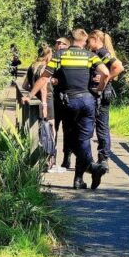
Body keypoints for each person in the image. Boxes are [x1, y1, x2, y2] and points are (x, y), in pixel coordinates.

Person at [26, 29, 110, 190]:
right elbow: (106, 73)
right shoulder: (90, 56)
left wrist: (30, 95)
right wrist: (98, 90)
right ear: (85, 42)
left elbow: (44, 77)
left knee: (72, 140)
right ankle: (79, 179)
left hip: (69, 102)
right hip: (87, 101)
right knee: (84, 140)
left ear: (71, 40)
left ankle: (93, 168)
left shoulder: (60, 56)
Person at [87, 30, 125, 172]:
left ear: (96, 39)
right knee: (101, 126)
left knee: (101, 127)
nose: (87, 44)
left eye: (89, 40)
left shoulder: (102, 52)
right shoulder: (100, 52)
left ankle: (103, 159)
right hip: (101, 93)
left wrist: (106, 78)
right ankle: (103, 160)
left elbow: (118, 66)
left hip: (101, 93)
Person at [23, 43, 55, 169]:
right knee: (50, 127)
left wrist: (32, 91)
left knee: (39, 128)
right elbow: (43, 88)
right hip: (46, 100)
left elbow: (25, 86)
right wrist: (45, 104)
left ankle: (40, 156)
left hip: (35, 101)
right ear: (48, 55)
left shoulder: (32, 66)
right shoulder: (44, 68)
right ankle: (49, 158)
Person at [52, 37, 73, 169]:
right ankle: (51, 156)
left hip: (66, 97)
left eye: (62, 43)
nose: (59, 45)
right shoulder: (52, 58)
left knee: (68, 130)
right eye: (58, 43)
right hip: (54, 98)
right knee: (53, 128)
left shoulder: (71, 59)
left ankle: (67, 157)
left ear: (68, 46)